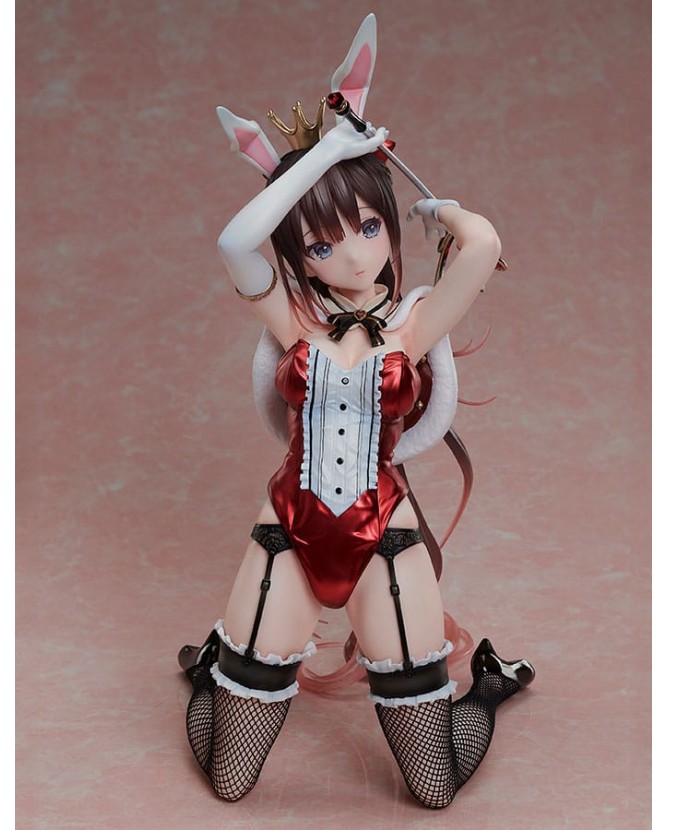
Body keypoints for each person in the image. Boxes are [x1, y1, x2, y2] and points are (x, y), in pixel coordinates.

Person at [178, 15, 535, 809]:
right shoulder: (293, 323)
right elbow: (236, 243)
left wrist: (439, 211)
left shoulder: (414, 324)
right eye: (321, 245)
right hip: (286, 535)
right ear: (301, 258)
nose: (353, 254)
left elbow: (482, 246)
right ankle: (209, 670)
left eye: (370, 226)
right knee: (230, 779)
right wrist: (329, 154)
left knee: (433, 785)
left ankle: (485, 686)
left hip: (387, 540)